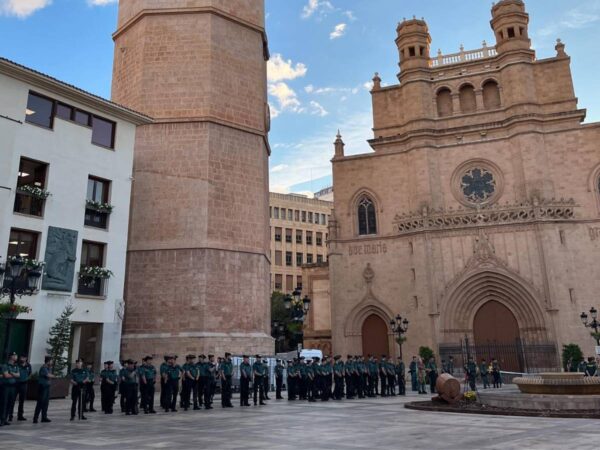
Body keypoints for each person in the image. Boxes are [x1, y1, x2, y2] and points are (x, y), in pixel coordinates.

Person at [33, 356, 54, 424]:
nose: (52, 362)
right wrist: (53, 375)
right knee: (40, 402)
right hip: (43, 387)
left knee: (46, 403)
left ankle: (44, 417)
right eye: (51, 361)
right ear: (48, 361)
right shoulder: (43, 368)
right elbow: (48, 375)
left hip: (47, 386)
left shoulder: (49, 368)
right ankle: (35, 418)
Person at [11, 354, 31, 422]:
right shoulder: (16, 365)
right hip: (16, 384)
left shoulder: (28, 365)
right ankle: (10, 415)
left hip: (24, 384)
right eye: (21, 357)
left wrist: (26, 378)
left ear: (26, 358)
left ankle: (20, 416)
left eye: (24, 357)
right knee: (12, 400)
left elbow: (29, 373)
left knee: (21, 401)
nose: (22, 359)